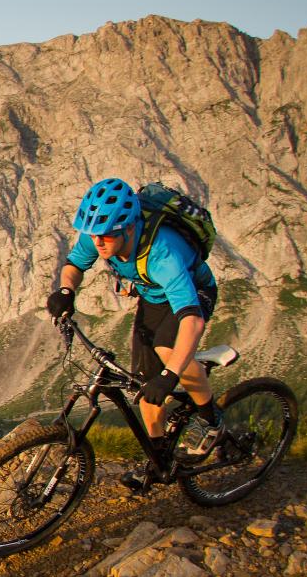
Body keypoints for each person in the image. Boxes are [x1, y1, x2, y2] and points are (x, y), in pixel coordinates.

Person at [47, 177, 220, 491]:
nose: (99, 244)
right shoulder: (100, 234)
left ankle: (212, 419)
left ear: (129, 227)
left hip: (193, 294)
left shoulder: (164, 254)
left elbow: (192, 322)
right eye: (95, 235)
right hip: (153, 298)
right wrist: (65, 290)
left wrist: (169, 376)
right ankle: (159, 459)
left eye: (107, 237)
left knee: (168, 350)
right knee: (144, 381)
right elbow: (75, 264)